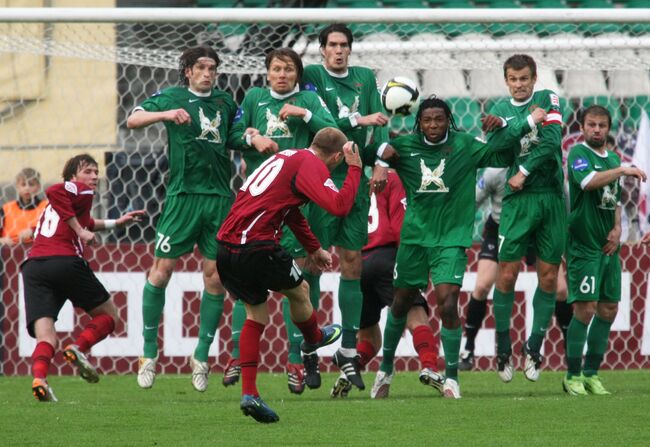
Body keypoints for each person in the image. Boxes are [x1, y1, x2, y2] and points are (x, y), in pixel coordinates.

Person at [372, 96, 543, 399]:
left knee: (447, 303)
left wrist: (514, 124)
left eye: (439, 119)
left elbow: (501, 155)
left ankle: (451, 377)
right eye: (428, 120)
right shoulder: (407, 146)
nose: (434, 125)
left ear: (449, 120)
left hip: (451, 238)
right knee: (400, 303)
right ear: (419, 122)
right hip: (414, 238)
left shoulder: (465, 145)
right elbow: (377, 147)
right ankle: (385, 370)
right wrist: (382, 162)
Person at [216, 127, 359, 423]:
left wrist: (313, 248)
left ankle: (250, 394)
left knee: (256, 314)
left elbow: (289, 211)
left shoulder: (288, 156)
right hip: (258, 245)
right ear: (335, 157)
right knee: (301, 290)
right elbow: (339, 206)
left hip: (227, 248)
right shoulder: (312, 165)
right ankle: (314, 337)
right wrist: (356, 168)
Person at [127, 46, 248, 392]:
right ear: (188, 71)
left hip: (219, 200)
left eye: (212, 68)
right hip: (182, 198)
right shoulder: (171, 96)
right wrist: (165, 115)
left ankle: (201, 355)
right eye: (201, 67)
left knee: (215, 278)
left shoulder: (226, 102)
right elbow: (133, 120)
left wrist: (252, 138)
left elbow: (235, 136)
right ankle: (149, 353)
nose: (208, 73)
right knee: (162, 271)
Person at [223, 47, 338, 394]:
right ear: (267, 72)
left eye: (289, 69)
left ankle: (296, 360)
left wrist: (304, 114)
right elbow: (231, 133)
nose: (282, 74)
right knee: (267, 292)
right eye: (276, 68)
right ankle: (235, 356)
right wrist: (252, 137)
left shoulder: (309, 99)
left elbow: (332, 132)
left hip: (298, 203)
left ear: (298, 73)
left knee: (302, 279)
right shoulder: (256, 96)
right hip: (258, 207)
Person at [302, 23, 390, 394]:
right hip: (320, 175)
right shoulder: (309, 76)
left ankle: (349, 350)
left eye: (344, 46)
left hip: (354, 176)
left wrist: (382, 160)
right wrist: (358, 119)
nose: (338, 51)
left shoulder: (365, 79)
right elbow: (325, 127)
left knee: (352, 259)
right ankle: (306, 348)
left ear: (350, 50)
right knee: (312, 261)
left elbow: (380, 124)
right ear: (321, 50)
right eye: (332, 45)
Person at [23, 154, 144, 402]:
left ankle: (39, 379)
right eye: (87, 171)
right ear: (72, 177)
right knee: (109, 316)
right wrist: (80, 232)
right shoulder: (77, 191)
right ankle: (78, 348)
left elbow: (88, 221)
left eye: (96, 171)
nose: (94, 176)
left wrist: (116, 223)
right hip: (65, 261)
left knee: (46, 335)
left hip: (35, 267)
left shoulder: (63, 208)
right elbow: (53, 189)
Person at [483, 54, 567, 383]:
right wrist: (526, 122)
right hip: (517, 203)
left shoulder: (549, 98)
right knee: (506, 275)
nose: (519, 85)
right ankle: (504, 347)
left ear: (534, 79)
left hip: (548, 197)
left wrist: (523, 169)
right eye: (513, 79)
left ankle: (533, 347)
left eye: (524, 79)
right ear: (506, 81)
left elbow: (552, 142)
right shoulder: (500, 109)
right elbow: (498, 147)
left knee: (548, 278)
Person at [562, 106, 646, 395]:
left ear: (608, 128)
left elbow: (613, 199)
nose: (596, 129)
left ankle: (591, 374)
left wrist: (618, 228)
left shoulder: (611, 158)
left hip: (609, 245)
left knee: (608, 307)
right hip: (583, 244)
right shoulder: (578, 154)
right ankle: (571, 376)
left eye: (601, 125)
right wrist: (622, 169)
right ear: (582, 127)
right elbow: (587, 184)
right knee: (585, 308)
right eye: (591, 124)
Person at [330, 169, 435, 399]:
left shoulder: (348, 180)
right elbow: (400, 226)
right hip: (387, 258)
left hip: (357, 263)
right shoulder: (392, 177)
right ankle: (430, 366)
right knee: (415, 314)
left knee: (368, 335)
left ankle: (350, 371)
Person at [458, 167, 573, 370]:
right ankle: (468, 348)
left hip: (537, 229)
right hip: (501, 228)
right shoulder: (495, 172)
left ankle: (570, 347)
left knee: (561, 289)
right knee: (483, 285)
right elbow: (473, 202)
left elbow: (565, 200)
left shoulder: (545, 168)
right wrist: (459, 231)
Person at [0, 168, 48, 246]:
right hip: (9, 250)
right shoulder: (6, 209)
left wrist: (33, 231)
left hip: (37, 249)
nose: (27, 188)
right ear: (17, 186)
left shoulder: (47, 207)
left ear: (38, 187)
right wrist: (2, 240)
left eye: (31, 184)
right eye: (23, 184)